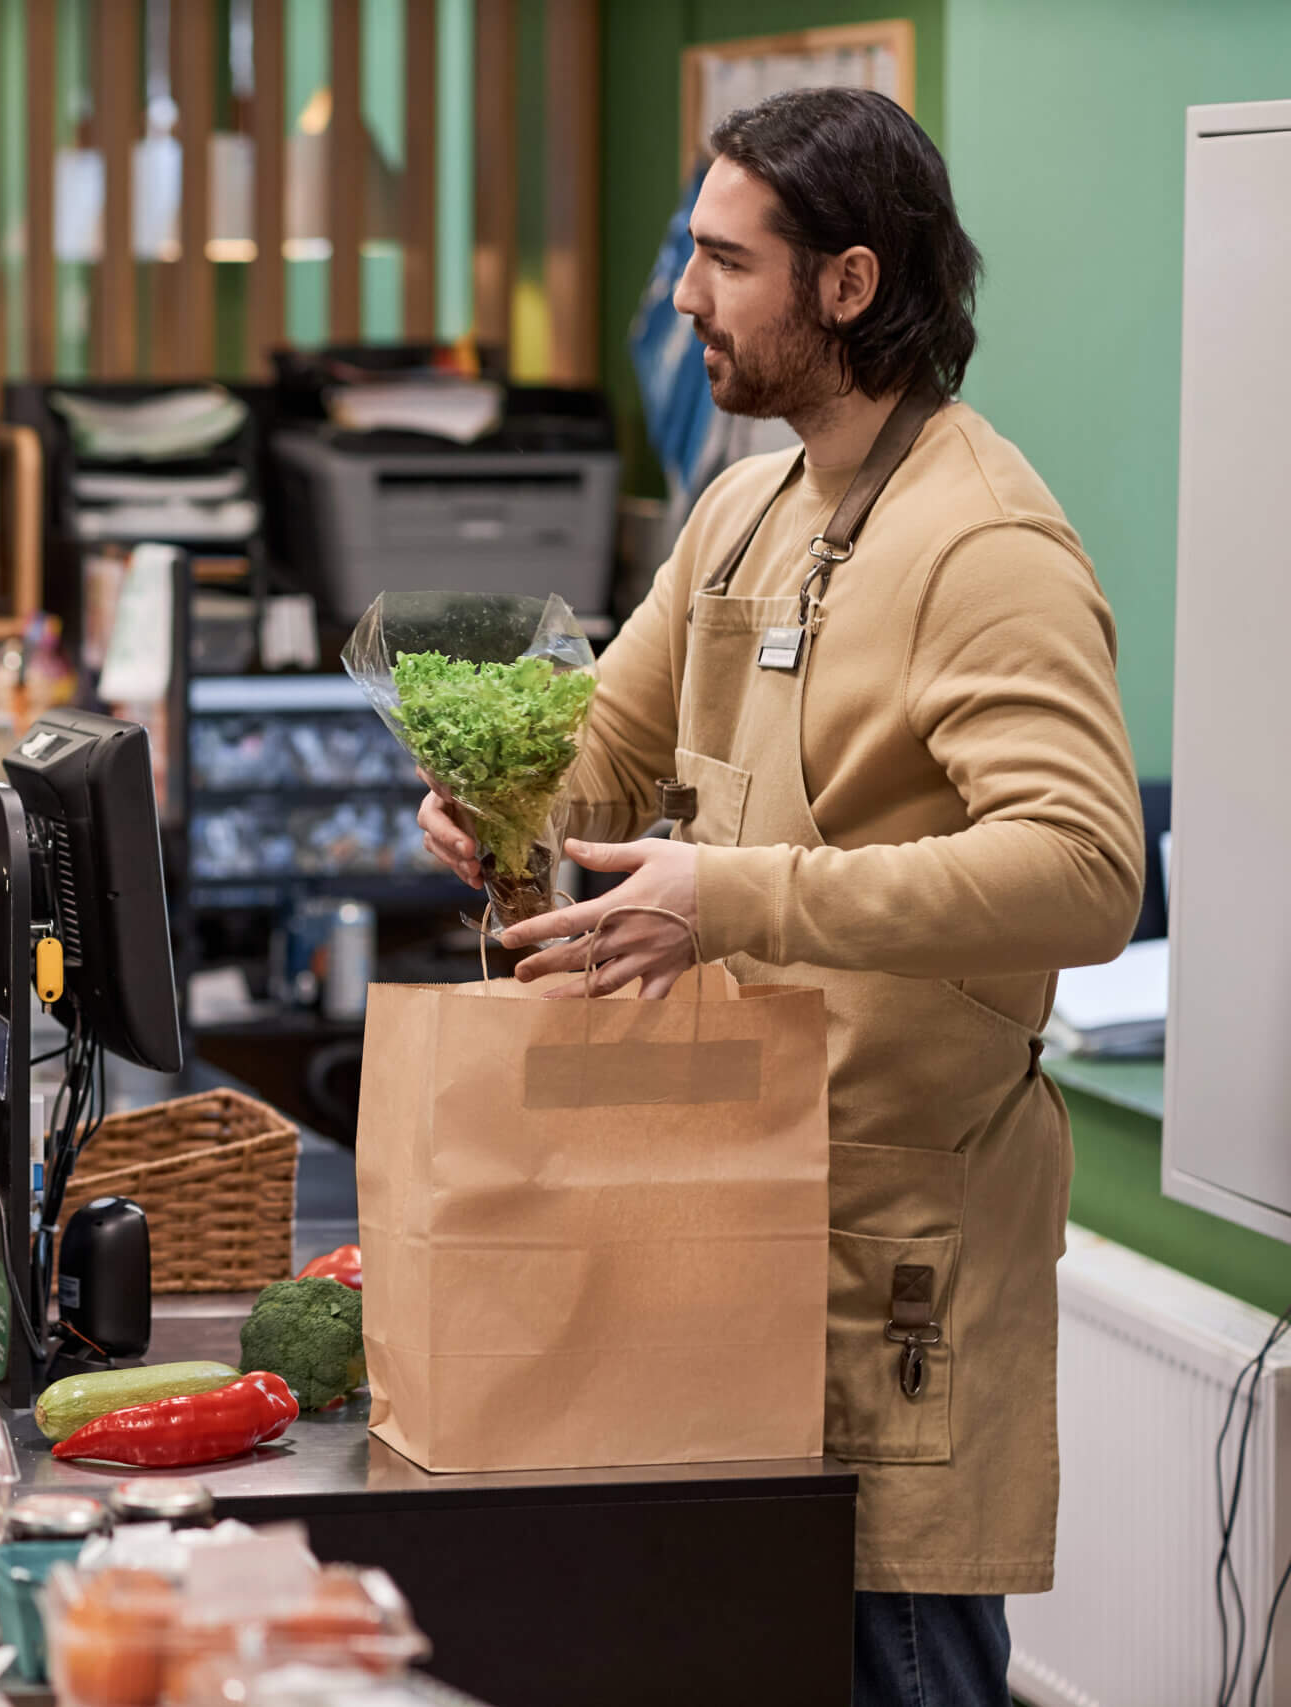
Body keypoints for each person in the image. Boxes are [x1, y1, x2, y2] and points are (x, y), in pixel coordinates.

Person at [416, 89, 1142, 1707]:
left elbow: (1089, 869)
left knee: (895, 1658)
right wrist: (498, 798)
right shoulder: (749, 508)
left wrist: (730, 897)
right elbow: (606, 743)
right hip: (729, 1205)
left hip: (898, 1240)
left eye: (722, 262)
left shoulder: (983, 542)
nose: (681, 299)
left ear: (850, 284)